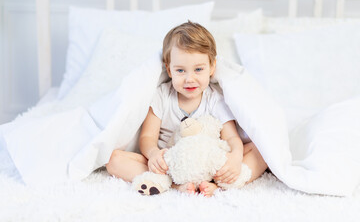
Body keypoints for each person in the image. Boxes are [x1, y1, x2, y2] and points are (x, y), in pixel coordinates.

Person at [106, 21, 268, 197]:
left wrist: (235, 157)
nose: (190, 79)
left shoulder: (215, 98)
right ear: (169, 69)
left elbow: (231, 137)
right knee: (112, 159)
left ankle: (220, 184)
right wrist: (153, 155)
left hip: (211, 166)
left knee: (262, 150)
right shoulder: (161, 96)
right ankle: (173, 184)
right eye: (181, 71)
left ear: (212, 67)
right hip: (170, 166)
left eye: (198, 69)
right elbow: (147, 136)